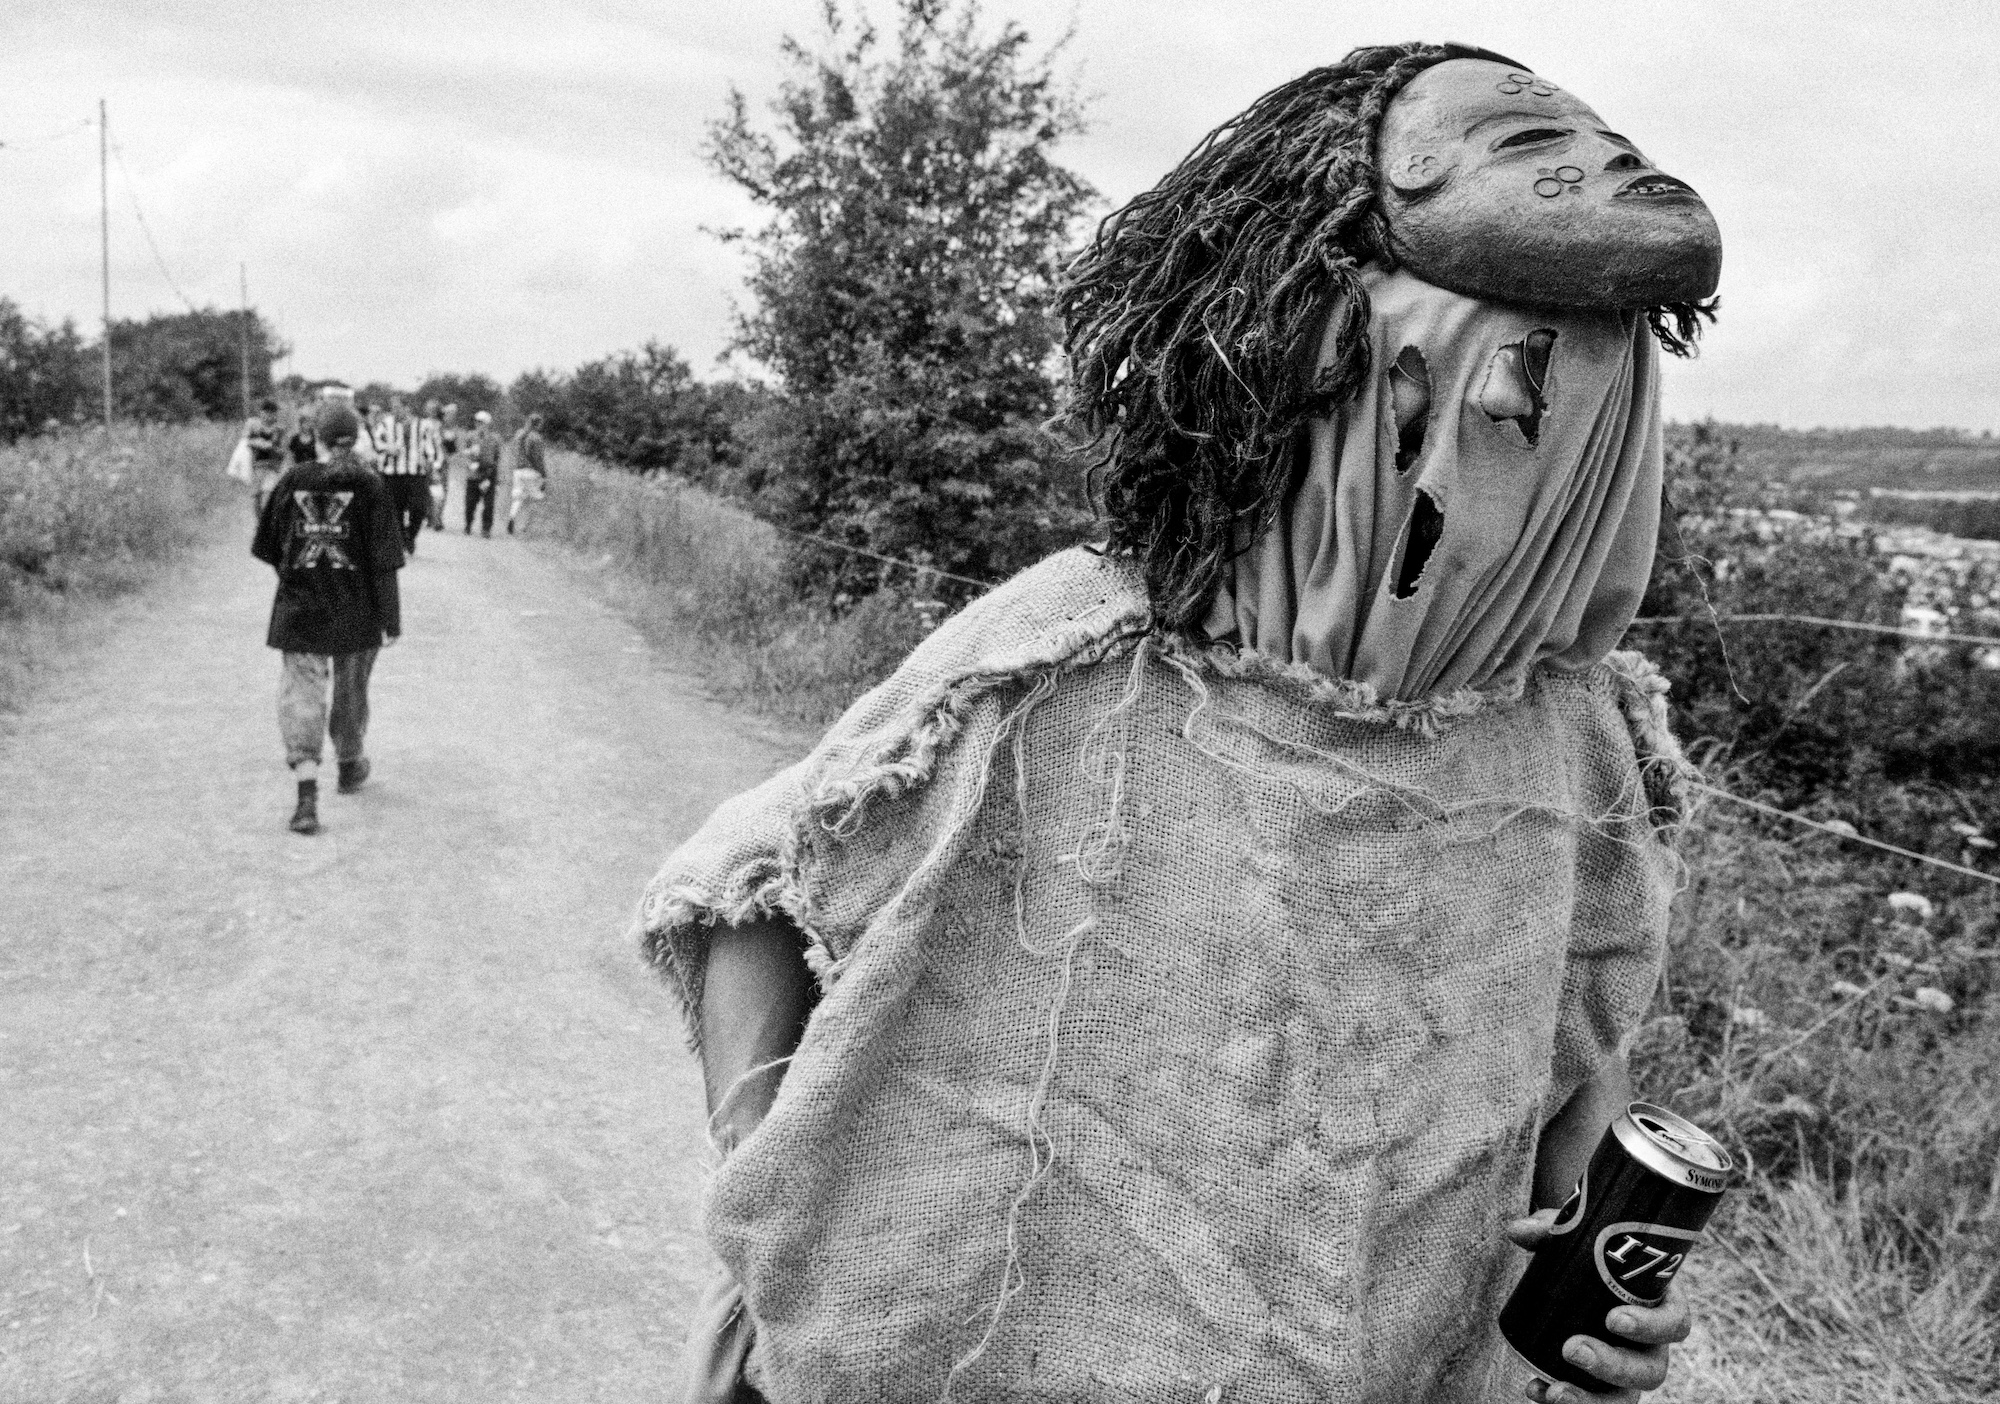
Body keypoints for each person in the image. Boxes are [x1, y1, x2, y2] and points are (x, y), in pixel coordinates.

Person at [644, 43, 1722, 1404]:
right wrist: (776, 1191)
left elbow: (1573, 1063)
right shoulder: (1065, 659)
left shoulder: (1567, 742)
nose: (1516, 429)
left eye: (1581, 414)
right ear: (1318, 368)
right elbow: (747, 882)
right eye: (1488, 385)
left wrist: (1599, 1296)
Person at [252, 400, 403, 836]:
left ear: (314, 437)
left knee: (302, 695)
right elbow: (385, 563)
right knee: (352, 690)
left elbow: (267, 547)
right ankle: (350, 762)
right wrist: (391, 619)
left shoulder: (292, 481)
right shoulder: (371, 486)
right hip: (359, 610)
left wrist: (297, 575)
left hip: (302, 610)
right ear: (357, 439)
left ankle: (306, 797)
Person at [372, 396, 429, 554]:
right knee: (395, 509)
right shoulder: (386, 423)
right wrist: (387, 448)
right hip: (393, 474)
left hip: (416, 473)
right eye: (393, 408)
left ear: (407, 408)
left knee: (419, 508)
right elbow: (377, 442)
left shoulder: (422, 425)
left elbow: (431, 446)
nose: (395, 411)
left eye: (398, 408)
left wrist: (431, 462)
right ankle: (401, 537)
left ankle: (411, 534)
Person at [506, 412, 548, 535]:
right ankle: (525, 526)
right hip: (531, 471)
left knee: (518, 498)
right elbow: (538, 458)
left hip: (518, 471)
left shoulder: (519, 434)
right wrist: (543, 474)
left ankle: (512, 517)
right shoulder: (536, 438)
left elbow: (513, 451)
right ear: (538, 424)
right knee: (536, 498)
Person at [245, 398, 285, 517]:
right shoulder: (254, 426)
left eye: (273, 413)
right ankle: (260, 521)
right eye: (268, 413)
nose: (271, 416)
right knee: (256, 495)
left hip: (272, 466)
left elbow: (282, 450)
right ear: (262, 413)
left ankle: (268, 519)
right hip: (257, 465)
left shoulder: (279, 429)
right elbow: (246, 442)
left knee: (270, 494)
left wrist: (273, 448)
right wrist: (260, 443)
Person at [464, 409, 501, 536]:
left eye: (481, 422)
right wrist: (470, 461)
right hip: (474, 473)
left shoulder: (495, 438)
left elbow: (497, 457)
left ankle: (486, 528)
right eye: (477, 422)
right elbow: (465, 453)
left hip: (488, 473)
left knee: (489, 504)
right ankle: (468, 524)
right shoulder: (470, 436)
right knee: (470, 503)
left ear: (487, 423)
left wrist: (495, 474)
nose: (479, 424)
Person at [415, 400, 447, 532]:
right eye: (429, 409)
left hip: (438, 460)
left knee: (438, 491)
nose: (432, 411)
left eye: (434, 409)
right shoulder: (421, 423)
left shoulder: (441, 425)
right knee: (424, 490)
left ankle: (437, 518)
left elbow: (444, 445)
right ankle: (428, 515)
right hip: (424, 460)